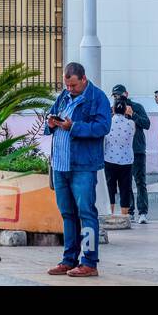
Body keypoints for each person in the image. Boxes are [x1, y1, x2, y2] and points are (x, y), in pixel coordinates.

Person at [45, 62, 111, 278]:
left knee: (86, 213)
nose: (70, 89)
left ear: (83, 79)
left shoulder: (97, 98)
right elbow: (53, 117)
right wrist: (51, 123)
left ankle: (89, 262)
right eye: (67, 85)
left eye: (73, 85)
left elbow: (103, 127)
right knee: (67, 214)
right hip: (60, 166)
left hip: (83, 166)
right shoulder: (63, 96)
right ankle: (68, 259)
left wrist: (74, 127)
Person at [110, 84, 151, 223]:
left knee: (140, 182)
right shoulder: (114, 111)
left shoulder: (137, 107)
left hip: (137, 150)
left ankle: (143, 213)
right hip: (122, 154)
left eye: (119, 95)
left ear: (126, 94)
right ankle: (130, 212)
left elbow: (147, 124)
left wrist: (132, 115)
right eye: (115, 96)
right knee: (125, 184)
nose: (117, 98)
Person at [103, 93, 136, 220]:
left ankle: (110, 215)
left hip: (109, 159)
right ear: (126, 109)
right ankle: (124, 216)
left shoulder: (108, 123)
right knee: (125, 188)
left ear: (113, 109)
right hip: (127, 161)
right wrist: (130, 114)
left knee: (110, 188)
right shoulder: (131, 124)